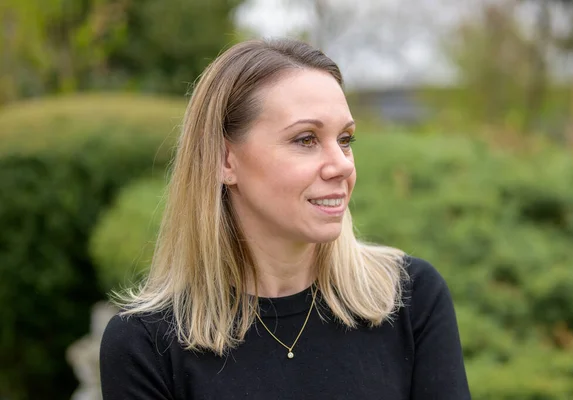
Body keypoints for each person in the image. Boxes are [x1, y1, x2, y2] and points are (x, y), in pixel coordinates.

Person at [99, 38, 471, 399]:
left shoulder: (409, 299)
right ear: (224, 160)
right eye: (306, 139)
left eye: (345, 139)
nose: (342, 164)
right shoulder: (146, 345)